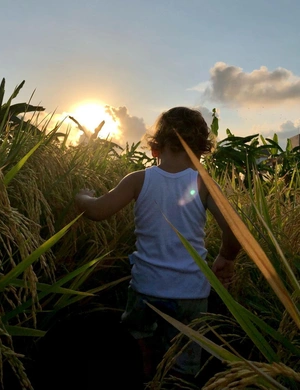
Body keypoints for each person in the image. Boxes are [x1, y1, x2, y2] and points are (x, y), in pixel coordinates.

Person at [75, 107, 241, 383]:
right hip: (191, 293)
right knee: (183, 364)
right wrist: (226, 257)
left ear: (155, 149)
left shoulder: (138, 180)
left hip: (146, 289)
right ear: (202, 151)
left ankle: (142, 373)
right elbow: (234, 230)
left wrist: (83, 196)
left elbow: (97, 211)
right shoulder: (203, 184)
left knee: (137, 349)